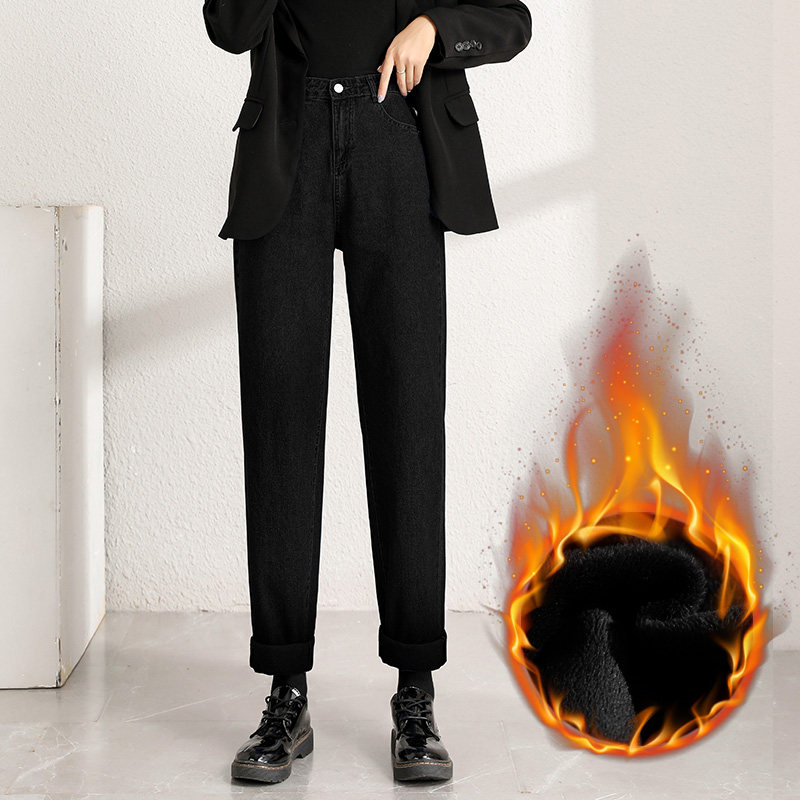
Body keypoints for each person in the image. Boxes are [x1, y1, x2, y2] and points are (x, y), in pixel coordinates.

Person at [201, 0, 532, 785]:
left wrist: (435, 29)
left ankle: (416, 693)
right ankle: (286, 692)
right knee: (280, 427)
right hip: (288, 150)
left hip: (398, 141)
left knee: (407, 423)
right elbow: (228, 26)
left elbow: (511, 20)